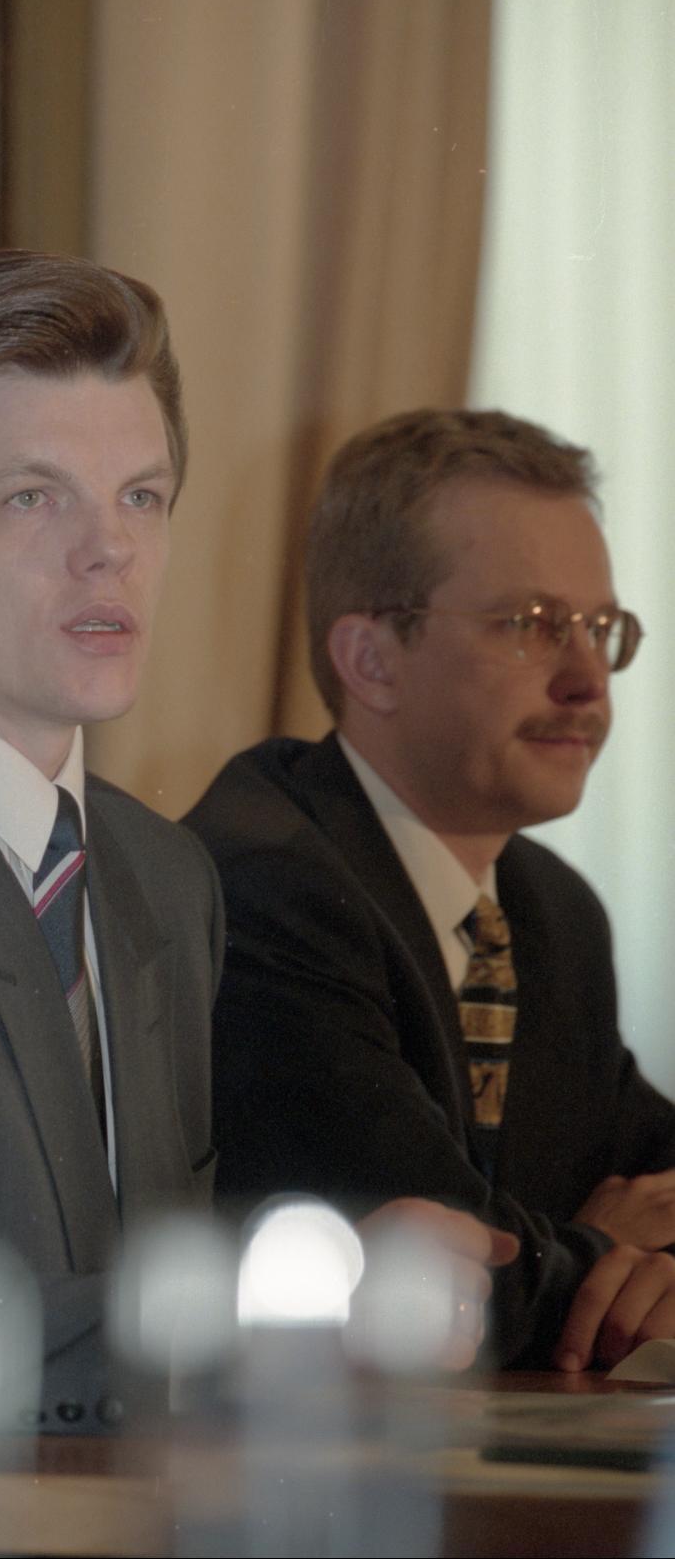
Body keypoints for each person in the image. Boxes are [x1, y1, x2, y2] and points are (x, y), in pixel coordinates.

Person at [0, 260, 515, 1429]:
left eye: (142, 496)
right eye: (34, 497)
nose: (108, 549)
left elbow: (129, 1288)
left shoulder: (164, 874)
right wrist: (273, 1313)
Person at [184, 407, 675, 1371]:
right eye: (530, 625)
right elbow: (433, 1281)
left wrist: (586, 1254)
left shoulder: (548, 910)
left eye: (601, 628)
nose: (587, 680)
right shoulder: (267, 881)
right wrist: (600, 1253)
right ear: (371, 661)